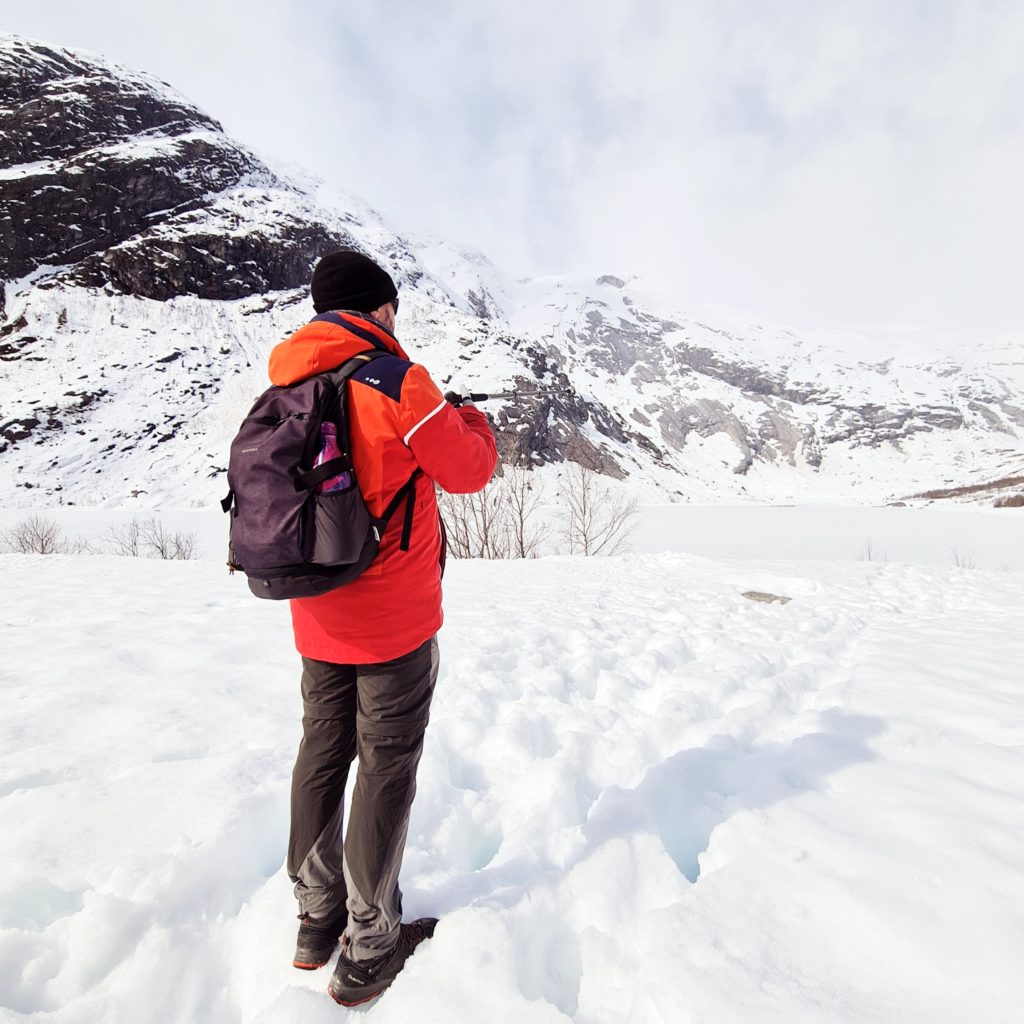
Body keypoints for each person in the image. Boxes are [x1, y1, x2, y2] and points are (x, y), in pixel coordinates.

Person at [267, 249, 498, 1005]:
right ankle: (371, 945)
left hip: (316, 615)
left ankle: (315, 917)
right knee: (385, 769)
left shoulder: (288, 381)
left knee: (320, 755)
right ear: (380, 308)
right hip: (394, 622)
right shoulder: (400, 381)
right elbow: (467, 470)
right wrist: (471, 419)